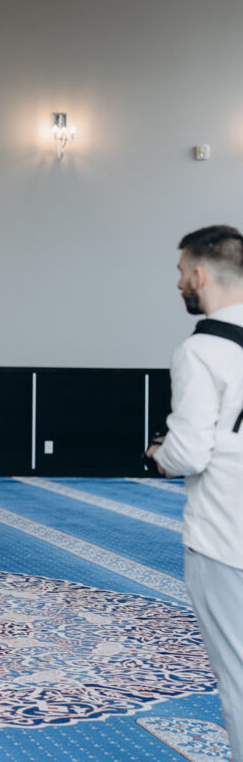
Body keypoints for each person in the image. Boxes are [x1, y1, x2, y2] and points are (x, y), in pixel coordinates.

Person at [145, 225, 243, 759]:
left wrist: (158, 453)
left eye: (181, 272)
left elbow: (189, 454)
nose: (179, 282)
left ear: (200, 275)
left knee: (238, 678)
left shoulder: (202, 350)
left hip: (225, 536)